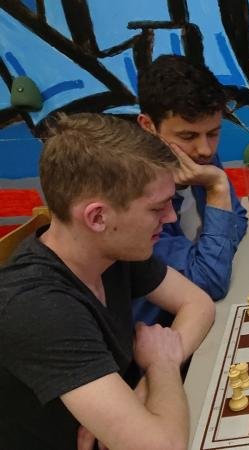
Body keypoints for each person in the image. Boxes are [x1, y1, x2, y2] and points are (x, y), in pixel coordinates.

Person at [0, 113, 216, 450]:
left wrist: (146, 386)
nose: (171, 217)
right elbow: (164, 446)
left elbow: (198, 303)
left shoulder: (109, 250)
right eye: (157, 208)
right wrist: (161, 364)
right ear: (97, 217)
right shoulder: (39, 307)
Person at [134, 54, 248, 325]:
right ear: (148, 126)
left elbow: (239, 221)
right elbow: (209, 282)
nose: (205, 149)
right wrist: (217, 188)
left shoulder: (197, 158)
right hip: (159, 329)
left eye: (213, 133)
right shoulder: (134, 191)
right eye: (188, 136)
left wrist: (210, 253)